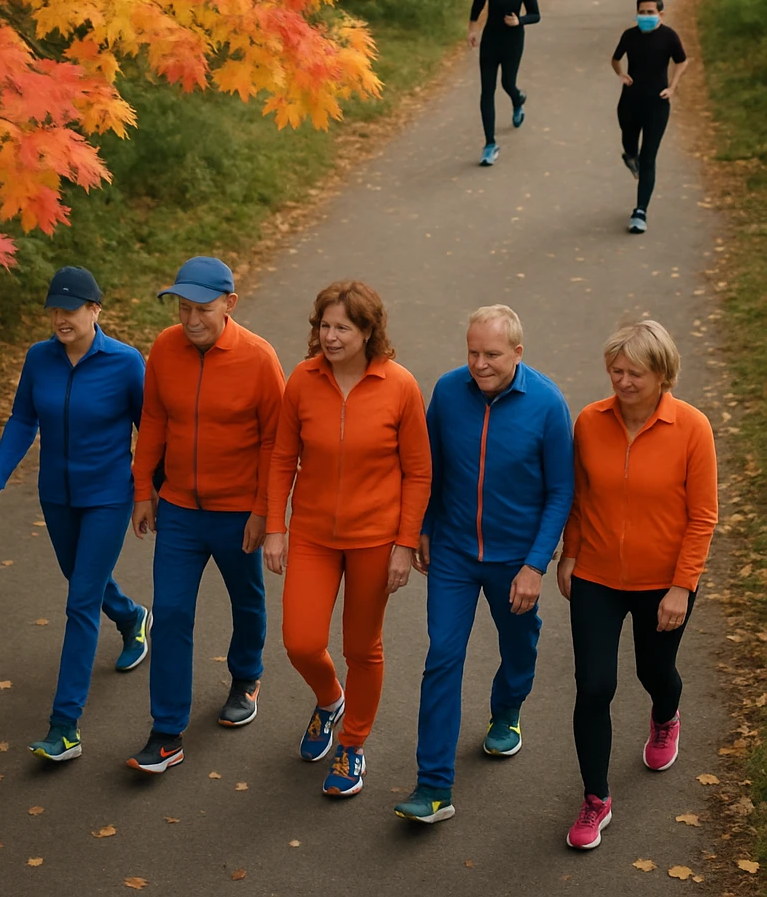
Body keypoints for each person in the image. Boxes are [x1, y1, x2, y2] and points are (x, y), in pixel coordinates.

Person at [394, 304, 574, 824]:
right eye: (472, 352)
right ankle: (433, 787)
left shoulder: (546, 404)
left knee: (519, 646)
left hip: (515, 560)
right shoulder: (449, 393)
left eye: (492, 354)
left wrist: (535, 565)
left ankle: (508, 708)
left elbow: (562, 490)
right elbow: (429, 468)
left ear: (518, 352)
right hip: (452, 553)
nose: (479, 364)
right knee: (442, 658)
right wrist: (423, 529)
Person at [264, 281, 431, 798]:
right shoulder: (302, 380)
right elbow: (280, 459)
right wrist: (276, 527)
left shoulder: (399, 385)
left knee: (363, 647)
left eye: (342, 327)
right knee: (301, 641)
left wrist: (405, 542)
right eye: (324, 326)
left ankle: (353, 744)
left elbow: (419, 471)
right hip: (313, 534)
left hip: (375, 541)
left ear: (368, 332)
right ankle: (329, 698)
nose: (330, 337)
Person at [0, 266, 150, 763]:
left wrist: (147, 492)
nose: (60, 318)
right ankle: (133, 616)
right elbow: (22, 419)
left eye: (69, 309)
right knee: (82, 579)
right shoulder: (39, 358)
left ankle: (65, 726)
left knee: (79, 602)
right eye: (54, 309)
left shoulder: (125, 362)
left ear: (95, 310)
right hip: (56, 495)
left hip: (108, 496)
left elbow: (150, 429)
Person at [558, 321, 717, 850]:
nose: (622, 381)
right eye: (616, 370)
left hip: (663, 583)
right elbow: (579, 498)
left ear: (663, 375)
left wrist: (682, 585)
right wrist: (570, 555)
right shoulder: (590, 421)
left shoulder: (692, 428)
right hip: (597, 576)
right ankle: (596, 799)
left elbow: (703, 517)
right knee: (595, 686)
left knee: (656, 670)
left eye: (635, 373)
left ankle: (666, 714)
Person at [126, 256, 286, 774]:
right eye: (182, 308)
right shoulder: (165, 349)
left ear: (230, 304)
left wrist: (264, 511)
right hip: (178, 509)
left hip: (237, 511)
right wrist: (143, 490)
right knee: (171, 613)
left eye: (202, 309)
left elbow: (276, 443)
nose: (190, 320)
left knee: (246, 600)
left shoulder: (259, 359)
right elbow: (152, 418)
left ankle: (246, 676)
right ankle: (166, 731)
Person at [611, 0, 689, 234]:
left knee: (649, 157)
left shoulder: (668, 37)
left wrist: (672, 87)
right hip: (630, 101)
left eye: (650, 13)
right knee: (629, 143)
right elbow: (615, 59)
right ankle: (630, 157)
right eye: (642, 12)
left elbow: (682, 61)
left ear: (661, 15)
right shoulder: (629, 35)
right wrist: (620, 74)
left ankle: (640, 211)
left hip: (657, 104)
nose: (645, 16)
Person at [468, 0, 540, 167]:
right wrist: (472, 29)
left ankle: (518, 99)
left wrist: (519, 20)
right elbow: (478, 4)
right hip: (490, 40)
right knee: (486, 91)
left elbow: (535, 14)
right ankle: (490, 144)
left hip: (512, 42)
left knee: (508, 83)